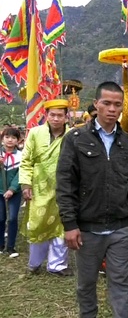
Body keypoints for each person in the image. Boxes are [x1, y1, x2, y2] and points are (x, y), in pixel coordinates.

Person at [56, 81, 128, 318]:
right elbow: (65, 184)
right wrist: (70, 224)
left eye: (117, 104)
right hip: (87, 230)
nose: (112, 109)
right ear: (96, 104)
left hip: (120, 228)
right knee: (86, 285)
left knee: (122, 284)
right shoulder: (75, 139)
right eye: (106, 103)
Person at [20, 99, 72, 276]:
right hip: (39, 186)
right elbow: (26, 161)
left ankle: (57, 266)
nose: (56, 119)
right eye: (52, 115)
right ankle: (34, 263)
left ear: (66, 117)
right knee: (37, 225)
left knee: (62, 226)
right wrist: (26, 184)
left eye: (60, 115)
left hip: (64, 187)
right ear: (46, 115)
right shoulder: (35, 133)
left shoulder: (72, 135)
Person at [0, 127, 22, 258]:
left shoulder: (21, 155)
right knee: (1, 218)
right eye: (7, 137)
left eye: (13, 138)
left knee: (12, 218)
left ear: (18, 141)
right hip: (0, 191)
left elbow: (21, 174)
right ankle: (1, 244)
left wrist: (12, 189)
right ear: (2, 139)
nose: (10, 140)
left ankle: (11, 246)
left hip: (14, 192)